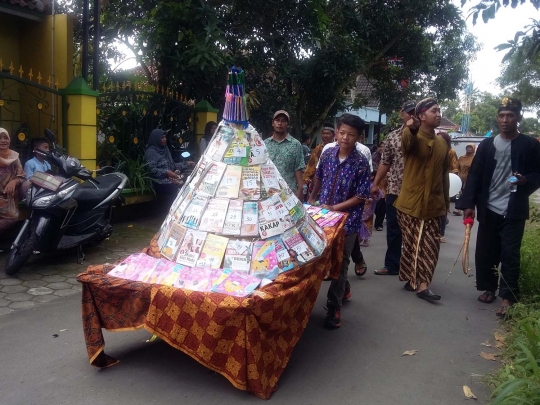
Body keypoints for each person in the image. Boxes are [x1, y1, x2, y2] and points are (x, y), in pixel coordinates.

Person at [456, 97, 540, 317]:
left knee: (510, 254)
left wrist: (525, 180)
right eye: (502, 116)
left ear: (518, 117)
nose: (505, 120)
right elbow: (474, 175)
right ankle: (489, 288)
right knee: (486, 252)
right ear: (497, 118)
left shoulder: (530, 145)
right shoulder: (487, 144)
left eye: (510, 116)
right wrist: (468, 204)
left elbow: (538, 174)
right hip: (489, 208)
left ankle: (508, 297)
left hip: (513, 209)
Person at [308, 113, 370, 328]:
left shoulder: (361, 164)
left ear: (358, 137)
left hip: (347, 222)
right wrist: (310, 200)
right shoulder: (327, 155)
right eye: (342, 133)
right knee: (320, 258)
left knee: (341, 263)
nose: (345, 137)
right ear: (336, 133)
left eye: (351, 134)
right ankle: (343, 289)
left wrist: (335, 208)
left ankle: (334, 307)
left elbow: (361, 196)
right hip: (323, 219)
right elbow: (319, 178)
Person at [394, 98, 449, 301]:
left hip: (434, 205)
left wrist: (445, 203)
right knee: (412, 244)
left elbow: (444, 175)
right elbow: (407, 143)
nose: (438, 114)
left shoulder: (443, 143)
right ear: (422, 116)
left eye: (439, 110)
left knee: (429, 245)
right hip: (410, 204)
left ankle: (423, 285)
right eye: (434, 111)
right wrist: (410, 128)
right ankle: (412, 278)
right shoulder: (412, 137)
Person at [370, 100, 415, 276]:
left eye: (415, 112)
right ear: (402, 114)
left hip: (418, 192)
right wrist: (375, 184)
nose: (412, 115)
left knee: (414, 231)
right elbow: (385, 162)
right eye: (409, 112)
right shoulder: (393, 137)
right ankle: (392, 265)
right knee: (394, 229)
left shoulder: (427, 136)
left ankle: (414, 266)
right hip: (395, 189)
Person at [264, 110, 306, 200]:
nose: (280, 123)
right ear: (273, 123)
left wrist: (300, 189)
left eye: (283, 121)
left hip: (289, 193)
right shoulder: (265, 144)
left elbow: (298, 168)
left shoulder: (295, 144)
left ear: (287, 124)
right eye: (277, 120)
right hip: (269, 192)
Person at [145, 129, 194, 201]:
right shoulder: (151, 152)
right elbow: (151, 170)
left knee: (188, 183)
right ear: (156, 139)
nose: (165, 139)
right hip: (158, 182)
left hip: (170, 179)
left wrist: (186, 164)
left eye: (165, 137)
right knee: (174, 189)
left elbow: (173, 165)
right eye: (162, 138)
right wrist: (167, 172)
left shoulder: (165, 150)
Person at [0, 128, 26, 239]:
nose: (3, 140)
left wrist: (14, 181)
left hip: (8, 197)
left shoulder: (14, 157)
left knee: (12, 217)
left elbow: (22, 176)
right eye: (0, 138)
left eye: (5, 137)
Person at [437, 131, 458, 243]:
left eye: (442, 138)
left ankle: (441, 233)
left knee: (443, 207)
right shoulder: (433, 149)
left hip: (446, 180)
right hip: (433, 182)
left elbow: (454, 166)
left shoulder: (450, 152)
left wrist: (453, 176)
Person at [303, 123, 335, 191]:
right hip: (317, 181)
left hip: (332, 182)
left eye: (328, 133)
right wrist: (306, 178)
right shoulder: (318, 149)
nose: (325, 136)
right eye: (323, 133)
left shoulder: (338, 148)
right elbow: (311, 165)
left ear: (333, 135)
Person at [359, 171, 381, 247]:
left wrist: (371, 199)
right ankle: (360, 237)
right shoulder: (364, 184)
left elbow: (378, 196)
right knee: (360, 222)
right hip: (362, 205)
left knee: (367, 223)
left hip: (369, 207)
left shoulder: (374, 186)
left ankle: (366, 239)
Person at [452, 144, 476, 216]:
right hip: (460, 177)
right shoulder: (462, 158)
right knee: (459, 193)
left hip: (469, 179)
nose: (469, 149)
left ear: (473, 149)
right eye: (467, 147)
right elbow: (456, 166)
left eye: (470, 148)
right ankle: (458, 209)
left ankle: (463, 209)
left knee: (465, 194)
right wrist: (456, 174)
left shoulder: (475, 159)